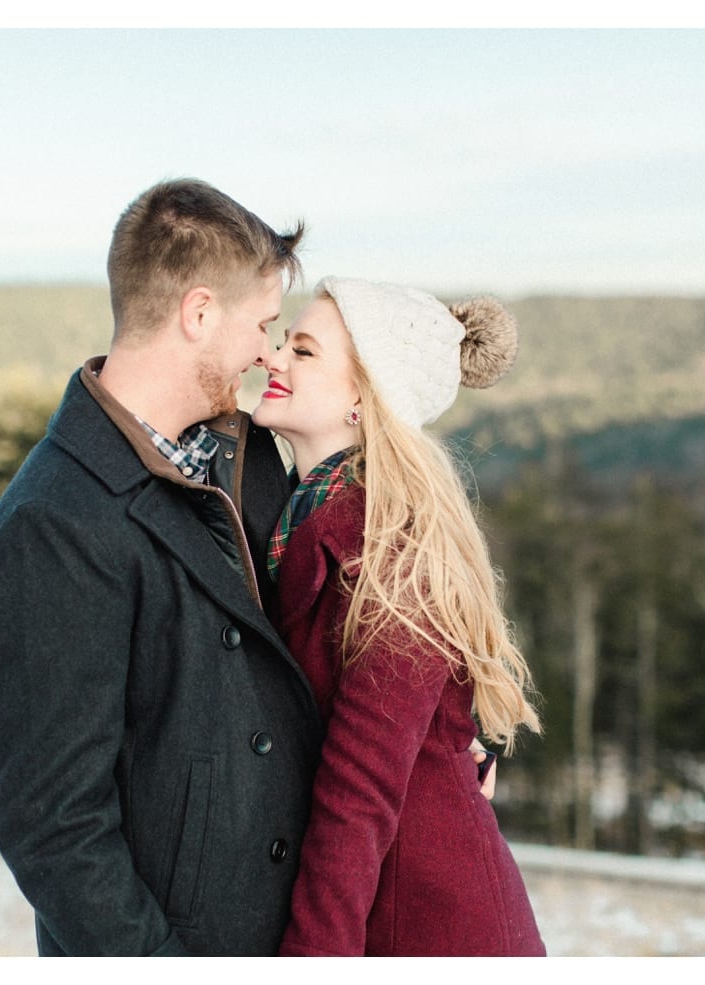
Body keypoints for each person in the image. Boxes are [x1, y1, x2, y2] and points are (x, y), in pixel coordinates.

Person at [0, 177, 321, 956]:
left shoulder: (249, 456)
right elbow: (54, 828)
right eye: (261, 323)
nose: (268, 349)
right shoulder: (46, 529)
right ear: (198, 313)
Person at [251, 276, 546, 956]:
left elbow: (358, 794)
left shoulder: (394, 557)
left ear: (363, 396)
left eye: (304, 350)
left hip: (432, 923)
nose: (273, 358)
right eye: (282, 341)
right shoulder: (291, 519)